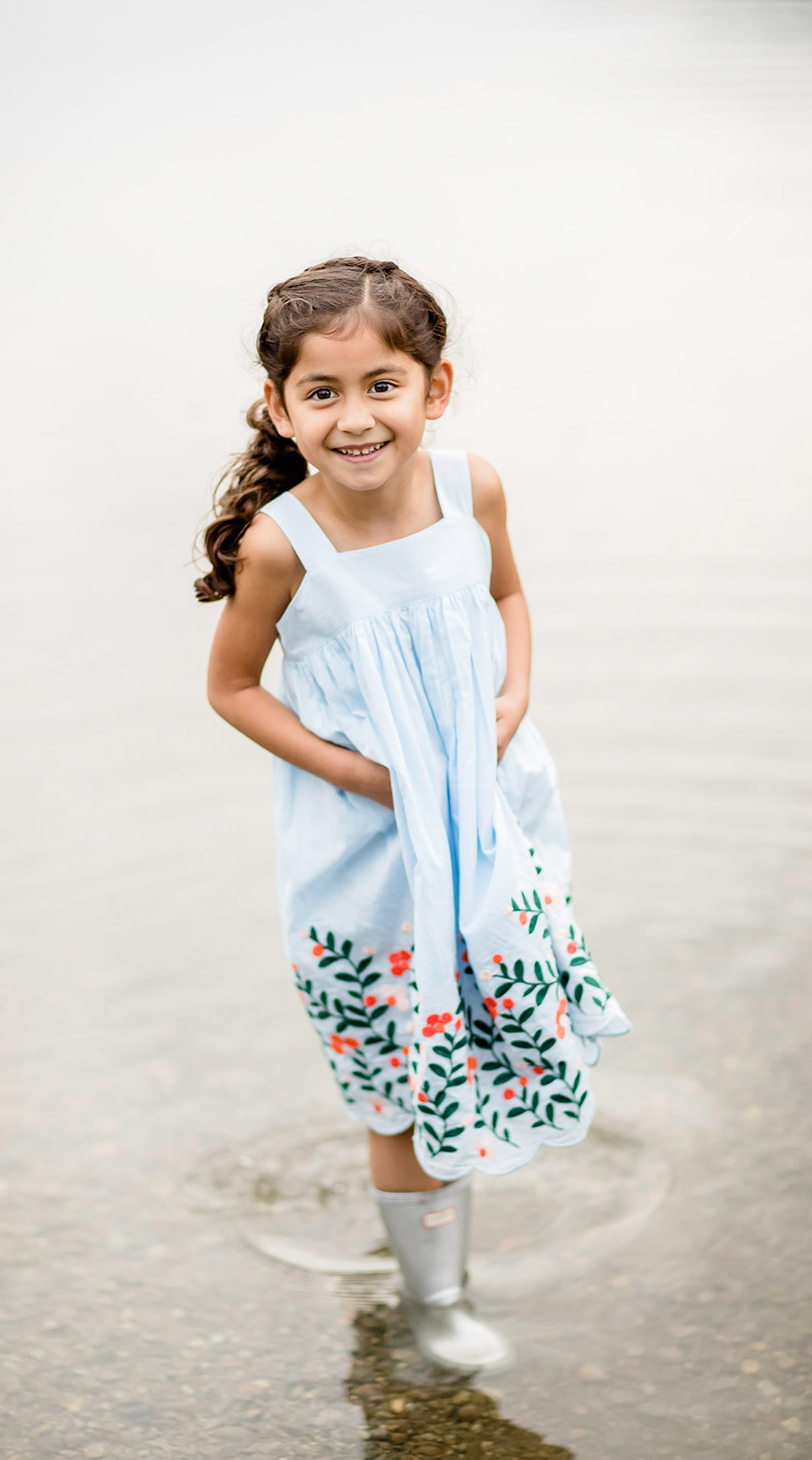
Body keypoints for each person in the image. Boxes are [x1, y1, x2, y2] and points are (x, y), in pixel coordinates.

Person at [199, 257, 629, 1373]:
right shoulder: (280, 545)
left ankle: (452, 1261)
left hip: (492, 819)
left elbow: (505, 592)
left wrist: (514, 692)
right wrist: (362, 775)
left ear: (433, 388)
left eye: (380, 384)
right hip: (366, 856)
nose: (355, 416)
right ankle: (430, 1305)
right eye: (322, 392)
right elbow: (232, 688)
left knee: (488, 1025)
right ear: (277, 406)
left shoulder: (470, 486)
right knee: (400, 1079)